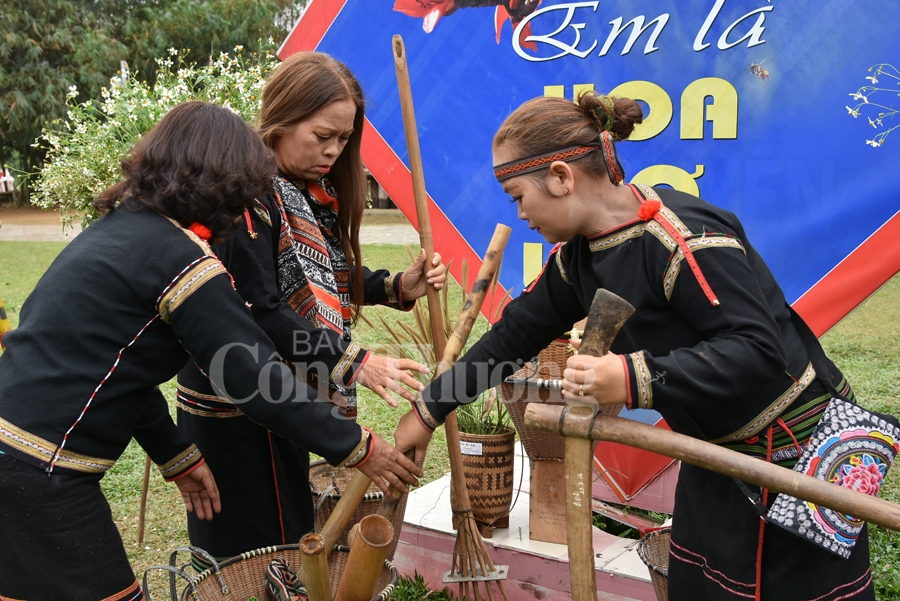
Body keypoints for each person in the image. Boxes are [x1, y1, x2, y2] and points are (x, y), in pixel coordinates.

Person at [393, 92, 876, 601]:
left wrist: (627, 376)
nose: (519, 214)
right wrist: (428, 410)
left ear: (561, 177)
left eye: (518, 196)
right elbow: (511, 338)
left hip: (798, 450)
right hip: (714, 452)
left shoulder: (683, 238)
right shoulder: (577, 258)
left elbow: (757, 352)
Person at [0, 101, 421, 601]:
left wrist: (176, 454)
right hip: (43, 473)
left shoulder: (117, 230)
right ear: (222, 181)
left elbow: (117, 372)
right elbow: (254, 378)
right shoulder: (180, 259)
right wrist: (360, 446)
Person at [175, 51, 447, 561]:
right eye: (323, 136)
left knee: (283, 533)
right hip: (234, 406)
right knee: (250, 551)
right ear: (281, 118)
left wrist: (396, 286)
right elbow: (262, 309)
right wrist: (356, 363)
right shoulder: (246, 197)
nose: (333, 151)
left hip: (282, 395)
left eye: (343, 140)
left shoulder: (307, 193)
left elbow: (322, 280)